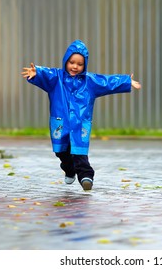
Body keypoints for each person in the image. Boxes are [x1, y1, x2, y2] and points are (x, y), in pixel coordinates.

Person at [21, 40, 141, 191]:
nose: (75, 67)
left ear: (85, 66)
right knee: (61, 152)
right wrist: (36, 73)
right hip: (60, 123)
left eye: (79, 64)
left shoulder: (90, 82)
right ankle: (69, 170)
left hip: (80, 124)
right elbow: (46, 74)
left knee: (79, 152)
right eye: (72, 62)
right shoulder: (56, 79)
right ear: (66, 61)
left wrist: (125, 81)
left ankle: (86, 176)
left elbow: (107, 82)